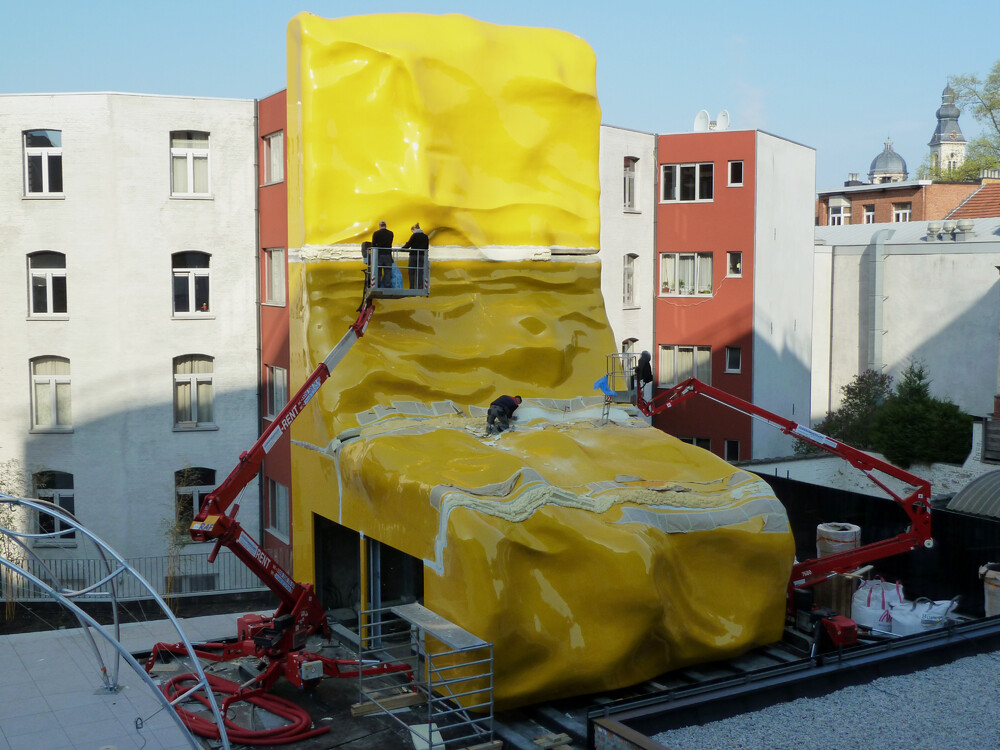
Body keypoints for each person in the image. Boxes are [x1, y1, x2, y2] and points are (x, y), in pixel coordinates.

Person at [401, 222, 429, 290]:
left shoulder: (414, 235)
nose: (412, 232)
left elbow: (408, 245)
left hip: (414, 256)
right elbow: (426, 247)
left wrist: (402, 248)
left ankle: (412, 287)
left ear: (414, 229)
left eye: (412, 231)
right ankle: (420, 286)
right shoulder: (425, 236)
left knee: (411, 272)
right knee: (420, 272)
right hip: (422, 256)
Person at [371, 220, 394, 288]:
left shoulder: (376, 233)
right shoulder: (391, 233)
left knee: (378, 271)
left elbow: (373, 245)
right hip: (388, 254)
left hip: (379, 254)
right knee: (388, 271)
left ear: (379, 226)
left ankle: (377, 285)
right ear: (385, 226)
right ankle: (387, 285)